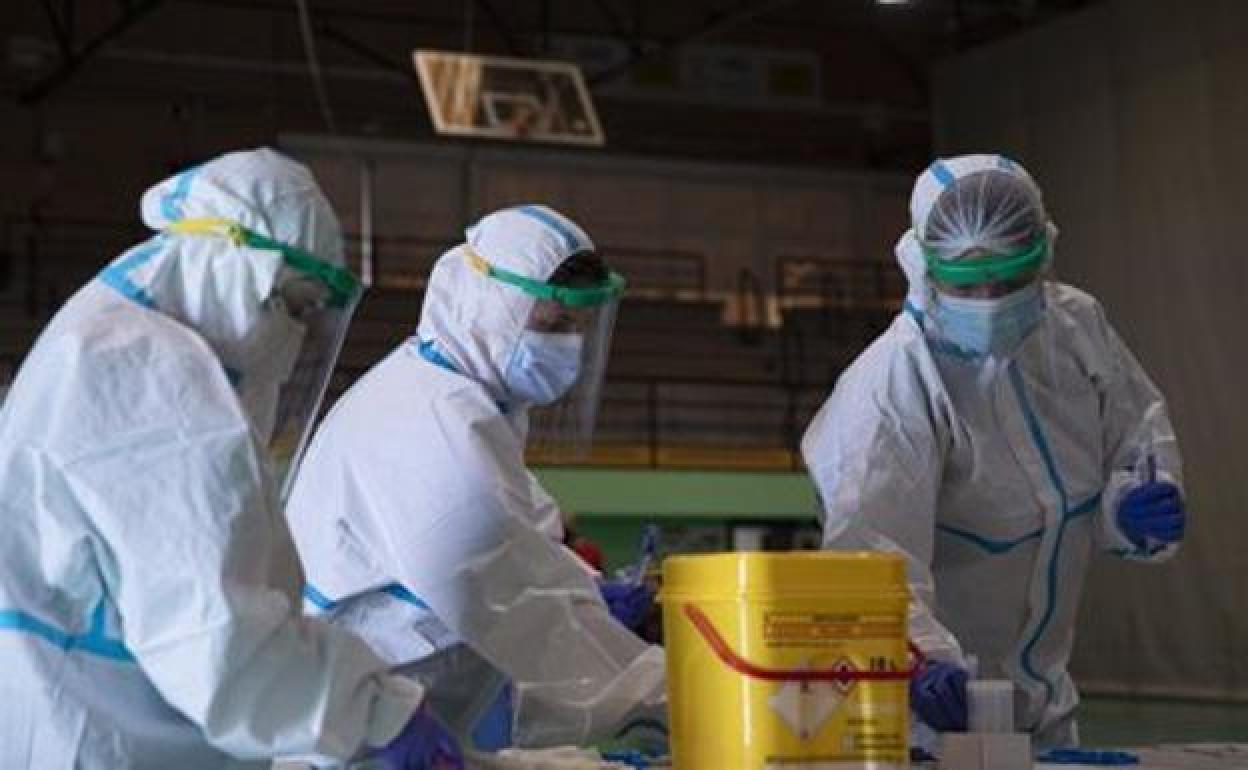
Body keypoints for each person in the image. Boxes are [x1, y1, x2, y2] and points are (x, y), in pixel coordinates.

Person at [0, 148, 461, 769]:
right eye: (295, 306)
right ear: (231, 267)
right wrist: (376, 715)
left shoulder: (101, 340)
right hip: (109, 740)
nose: (296, 338)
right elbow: (217, 638)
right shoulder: (147, 369)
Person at [801, 154, 1186, 749]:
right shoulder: (892, 387)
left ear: (1044, 254)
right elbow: (869, 555)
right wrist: (916, 660)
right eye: (965, 284)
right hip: (930, 718)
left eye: (1010, 282)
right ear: (922, 267)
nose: (989, 301)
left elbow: (1136, 432)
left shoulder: (1076, 329)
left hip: (1047, 708)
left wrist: (1130, 503)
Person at [285, 205, 668, 752]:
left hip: (406, 701)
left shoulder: (464, 398)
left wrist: (587, 587)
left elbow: (520, 529)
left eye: (577, 329)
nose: (569, 347)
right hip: (368, 716)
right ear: (488, 306)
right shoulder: (435, 422)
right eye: (553, 327)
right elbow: (521, 616)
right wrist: (664, 692)